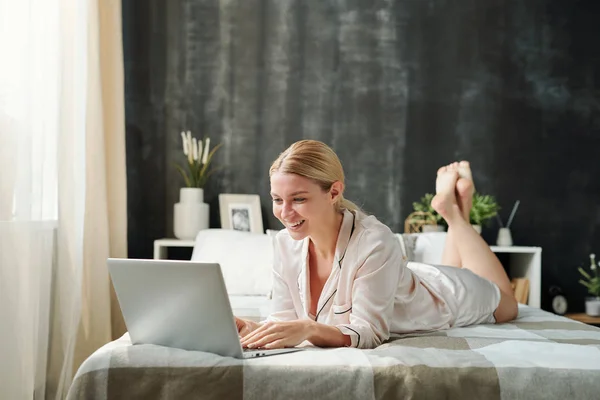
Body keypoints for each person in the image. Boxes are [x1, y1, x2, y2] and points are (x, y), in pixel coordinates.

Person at [235, 140, 518, 350]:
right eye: (277, 199)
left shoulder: (374, 240)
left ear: (334, 192)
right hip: (407, 281)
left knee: (508, 305)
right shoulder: (284, 244)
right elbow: (286, 320)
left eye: (298, 199)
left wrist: (310, 329)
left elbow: (370, 333)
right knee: (445, 268)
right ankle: (459, 205)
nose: (285, 212)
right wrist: (254, 328)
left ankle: (453, 213)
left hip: (449, 297)